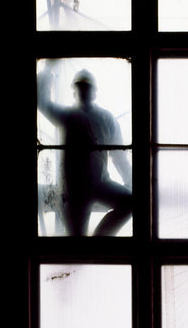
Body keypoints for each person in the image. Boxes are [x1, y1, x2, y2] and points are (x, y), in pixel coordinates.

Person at [37, 61, 132, 236]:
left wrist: (131, 182)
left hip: (90, 186)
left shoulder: (85, 117)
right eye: (82, 86)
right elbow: (120, 157)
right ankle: (100, 240)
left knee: (130, 202)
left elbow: (119, 156)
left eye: (85, 87)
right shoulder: (74, 116)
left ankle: (99, 239)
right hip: (79, 189)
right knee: (77, 243)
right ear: (76, 91)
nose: (84, 90)